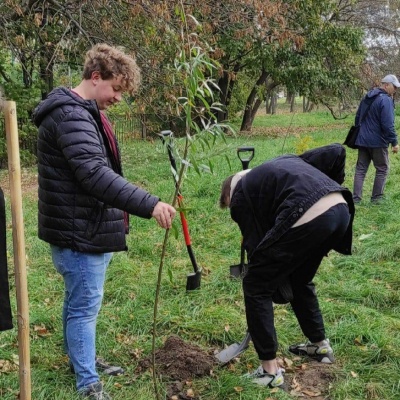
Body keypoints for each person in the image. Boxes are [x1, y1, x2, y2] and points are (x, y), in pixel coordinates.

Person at [33, 44, 176, 399]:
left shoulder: (83, 111)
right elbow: (96, 175)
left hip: (81, 225)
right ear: (96, 78)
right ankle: (87, 382)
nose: (117, 98)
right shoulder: (72, 116)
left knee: (76, 301)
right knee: (83, 308)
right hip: (78, 232)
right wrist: (150, 203)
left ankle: (79, 359)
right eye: (115, 89)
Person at [219, 144, 354, 388]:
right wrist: (331, 185)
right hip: (341, 208)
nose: (232, 209)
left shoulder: (240, 195)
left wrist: (267, 279)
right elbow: (336, 151)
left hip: (308, 214)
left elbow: (256, 244)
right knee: (300, 280)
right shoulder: (284, 163)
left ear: (229, 191)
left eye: (229, 205)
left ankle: (270, 372)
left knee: (256, 285)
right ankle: (319, 346)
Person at [353, 74, 400, 204]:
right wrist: (394, 142)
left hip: (362, 140)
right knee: (382, 168)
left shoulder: (368, 96)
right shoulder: (385, 100)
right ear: (386, 85)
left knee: (360, 169)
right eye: (394, 87)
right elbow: (387, 124)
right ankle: (376, 198)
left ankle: (356, 199)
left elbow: (358, 118)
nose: (395, 90)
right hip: (378, 142)